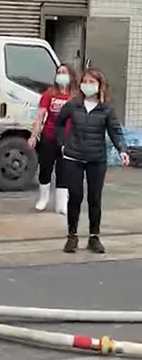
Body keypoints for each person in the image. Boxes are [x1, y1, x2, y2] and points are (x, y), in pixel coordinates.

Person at [56, 68, 129, 254]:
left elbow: (115, 131)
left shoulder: (106, 108)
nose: (88, 85)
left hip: (96, 159)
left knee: (94, 198)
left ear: (99, 85)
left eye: (92, 82)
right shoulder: (73, 105)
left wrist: (122, 150)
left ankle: (94, 237)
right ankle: (72, 236)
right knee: (75, 196)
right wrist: (63, 143)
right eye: (85, 81)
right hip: (73, 156)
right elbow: (59, 122)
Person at [29, 64, 77, 214]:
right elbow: (40, 116)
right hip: (49, 136)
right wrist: (34, 135)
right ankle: (43, 199)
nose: (61, 75)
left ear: (71, 75)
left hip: (68, 140)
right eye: (59, 72)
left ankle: (62, 203)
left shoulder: (75, 96)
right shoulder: (49, 94)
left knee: (63, 170)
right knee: (45, 168)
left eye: (64, 72)